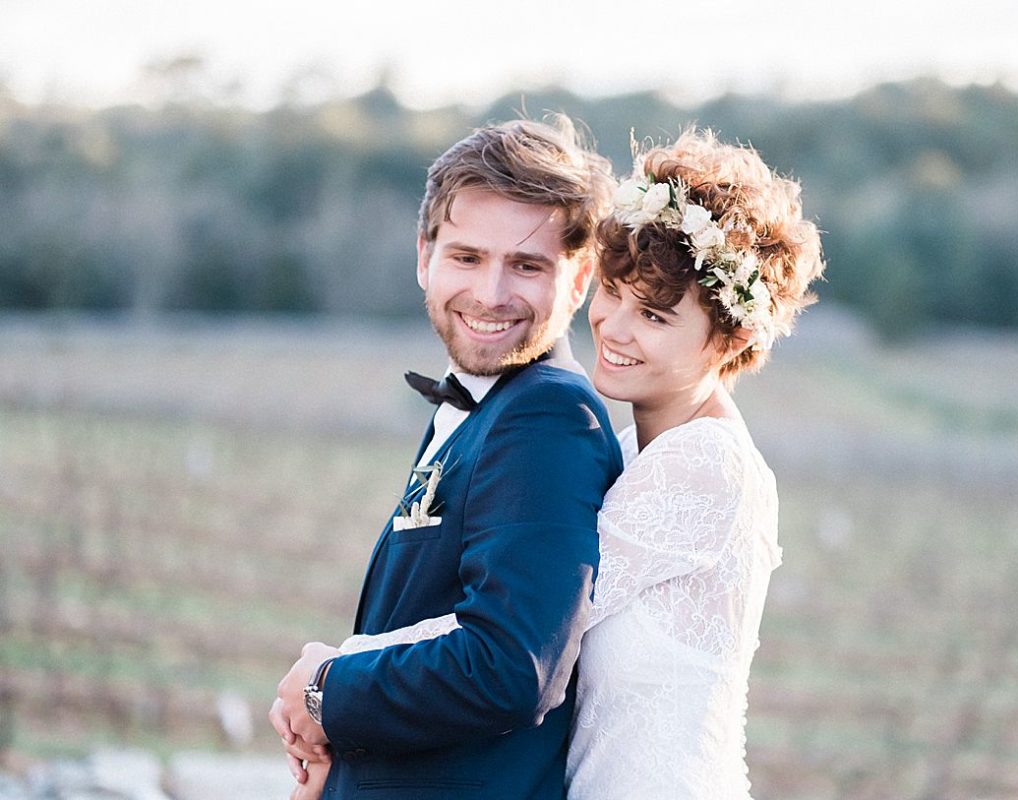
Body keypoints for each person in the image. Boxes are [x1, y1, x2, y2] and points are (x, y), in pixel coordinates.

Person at [293, 128, 826, 799]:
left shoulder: (703, 466)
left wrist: (328, 676)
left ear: (733, 336)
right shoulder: (640, 451)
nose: (615, 328)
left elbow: (520, 634)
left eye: (656, 317)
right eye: (615, 293)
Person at [268, 116, 623, 800]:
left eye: (526, 265)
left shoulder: (548, 418)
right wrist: (341, 746)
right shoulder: (482, 404)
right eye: (467, 257)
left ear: (578, 280)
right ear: (424, 255)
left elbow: (510, 667)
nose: (491, 295)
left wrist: (325, 688)